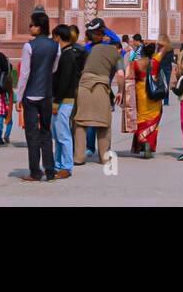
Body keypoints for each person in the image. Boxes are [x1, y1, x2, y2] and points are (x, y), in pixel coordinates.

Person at [73, 18, 123, 168]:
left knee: (80, 122)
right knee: (104, 123)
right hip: (102, 86)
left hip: (84, 86)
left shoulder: (86, 49)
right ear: (103, 33)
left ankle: (79, 157)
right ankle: (105, 157)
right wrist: (120, 91)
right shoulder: (114, 51)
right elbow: (121, 74)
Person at [15, 12, 58, 182]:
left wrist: (19, 97)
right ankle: (50, 170)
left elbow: (24, 73)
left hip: (31, 95)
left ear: (39, 27)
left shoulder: (29, 46)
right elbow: (54, 68)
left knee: (32, 135)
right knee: (46, 133)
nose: (30, 28)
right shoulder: (55, 46)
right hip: (46, 94)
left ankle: (35, 171)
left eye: (31, 25)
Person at [51, 24, 84, 178]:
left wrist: (57, 101)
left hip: (65, 100)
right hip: (64, 99)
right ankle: (58, 165)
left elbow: (64, 81)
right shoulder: (67, 53)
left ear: (58, 37)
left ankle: (66, 166)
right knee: (58, 135)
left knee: (63, 135)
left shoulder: (67, 55)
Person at [130, 43, 163, 159]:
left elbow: (130, 73)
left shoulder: (137, 63)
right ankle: (149, 142)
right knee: (154, 120)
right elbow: (165, 50)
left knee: (141, 118)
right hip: (154, 94)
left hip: (141, 93)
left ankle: (142, 138)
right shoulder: (156, 60)